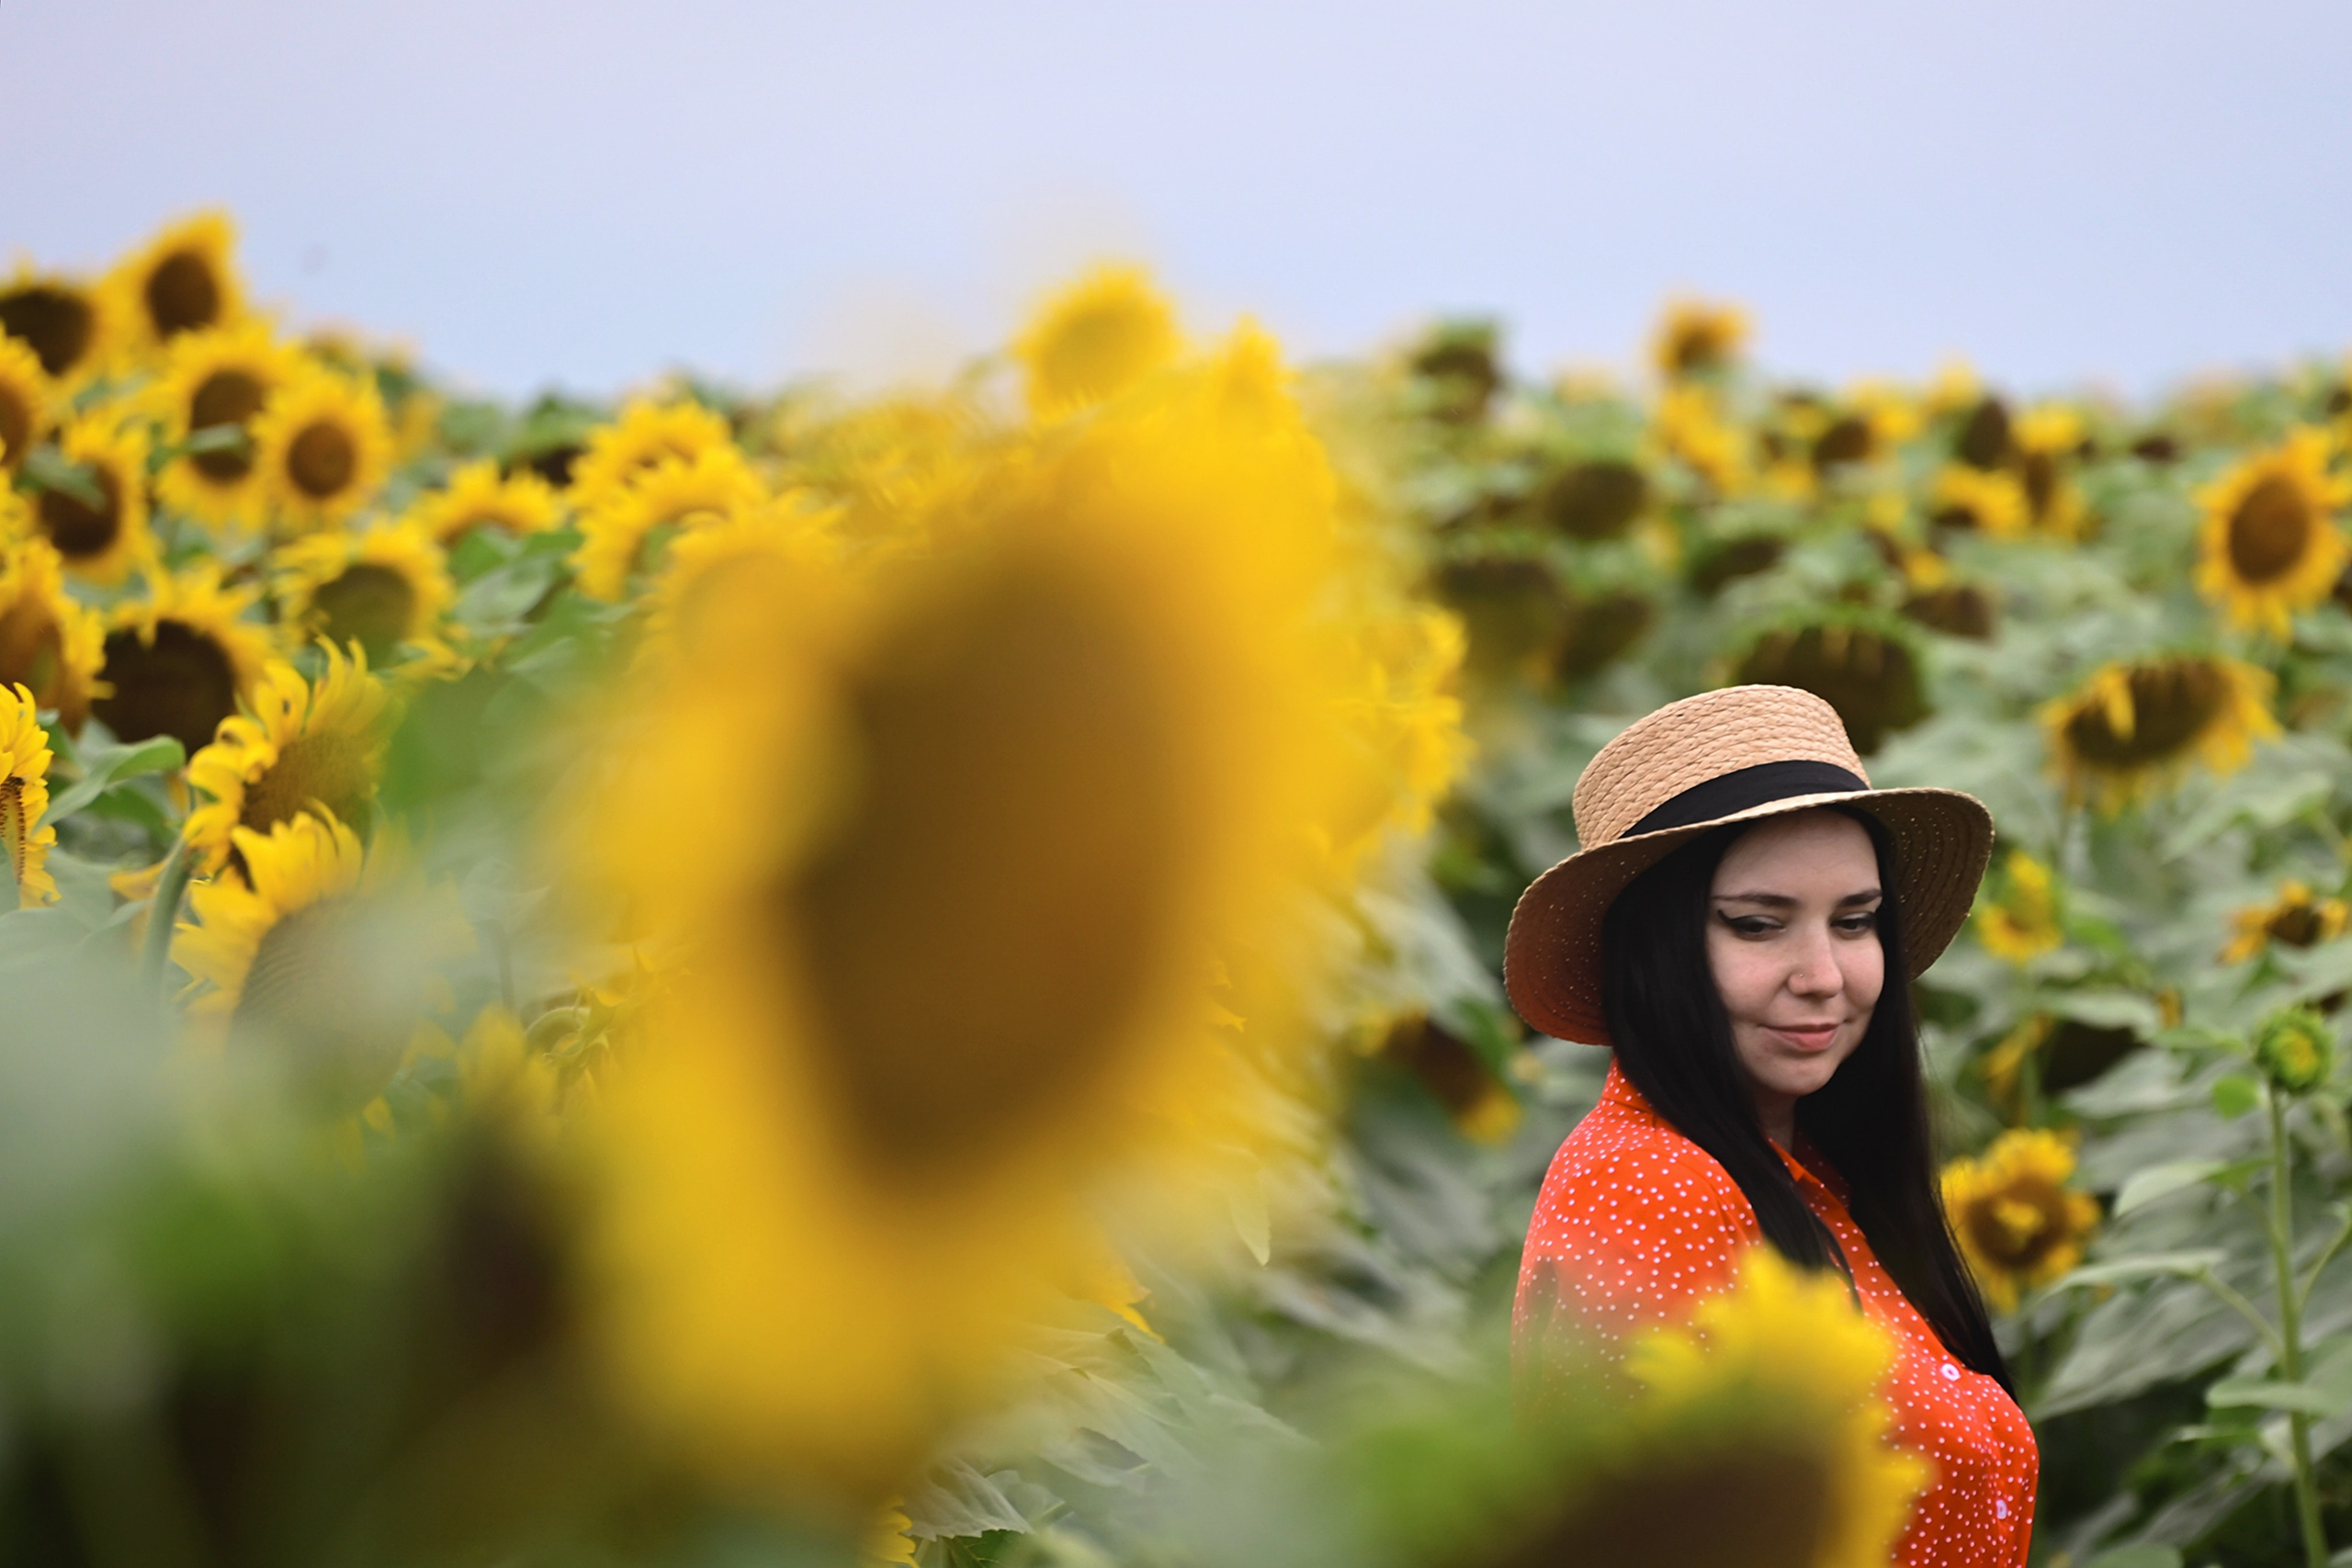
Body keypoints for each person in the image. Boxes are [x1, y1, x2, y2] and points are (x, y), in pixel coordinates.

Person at [1506, 683, 2036, 1567]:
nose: (1823, 973)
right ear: (1654, 950)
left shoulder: (1805, 1173)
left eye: (1856, 922)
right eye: (1760, 925)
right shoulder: (1656, 1188)